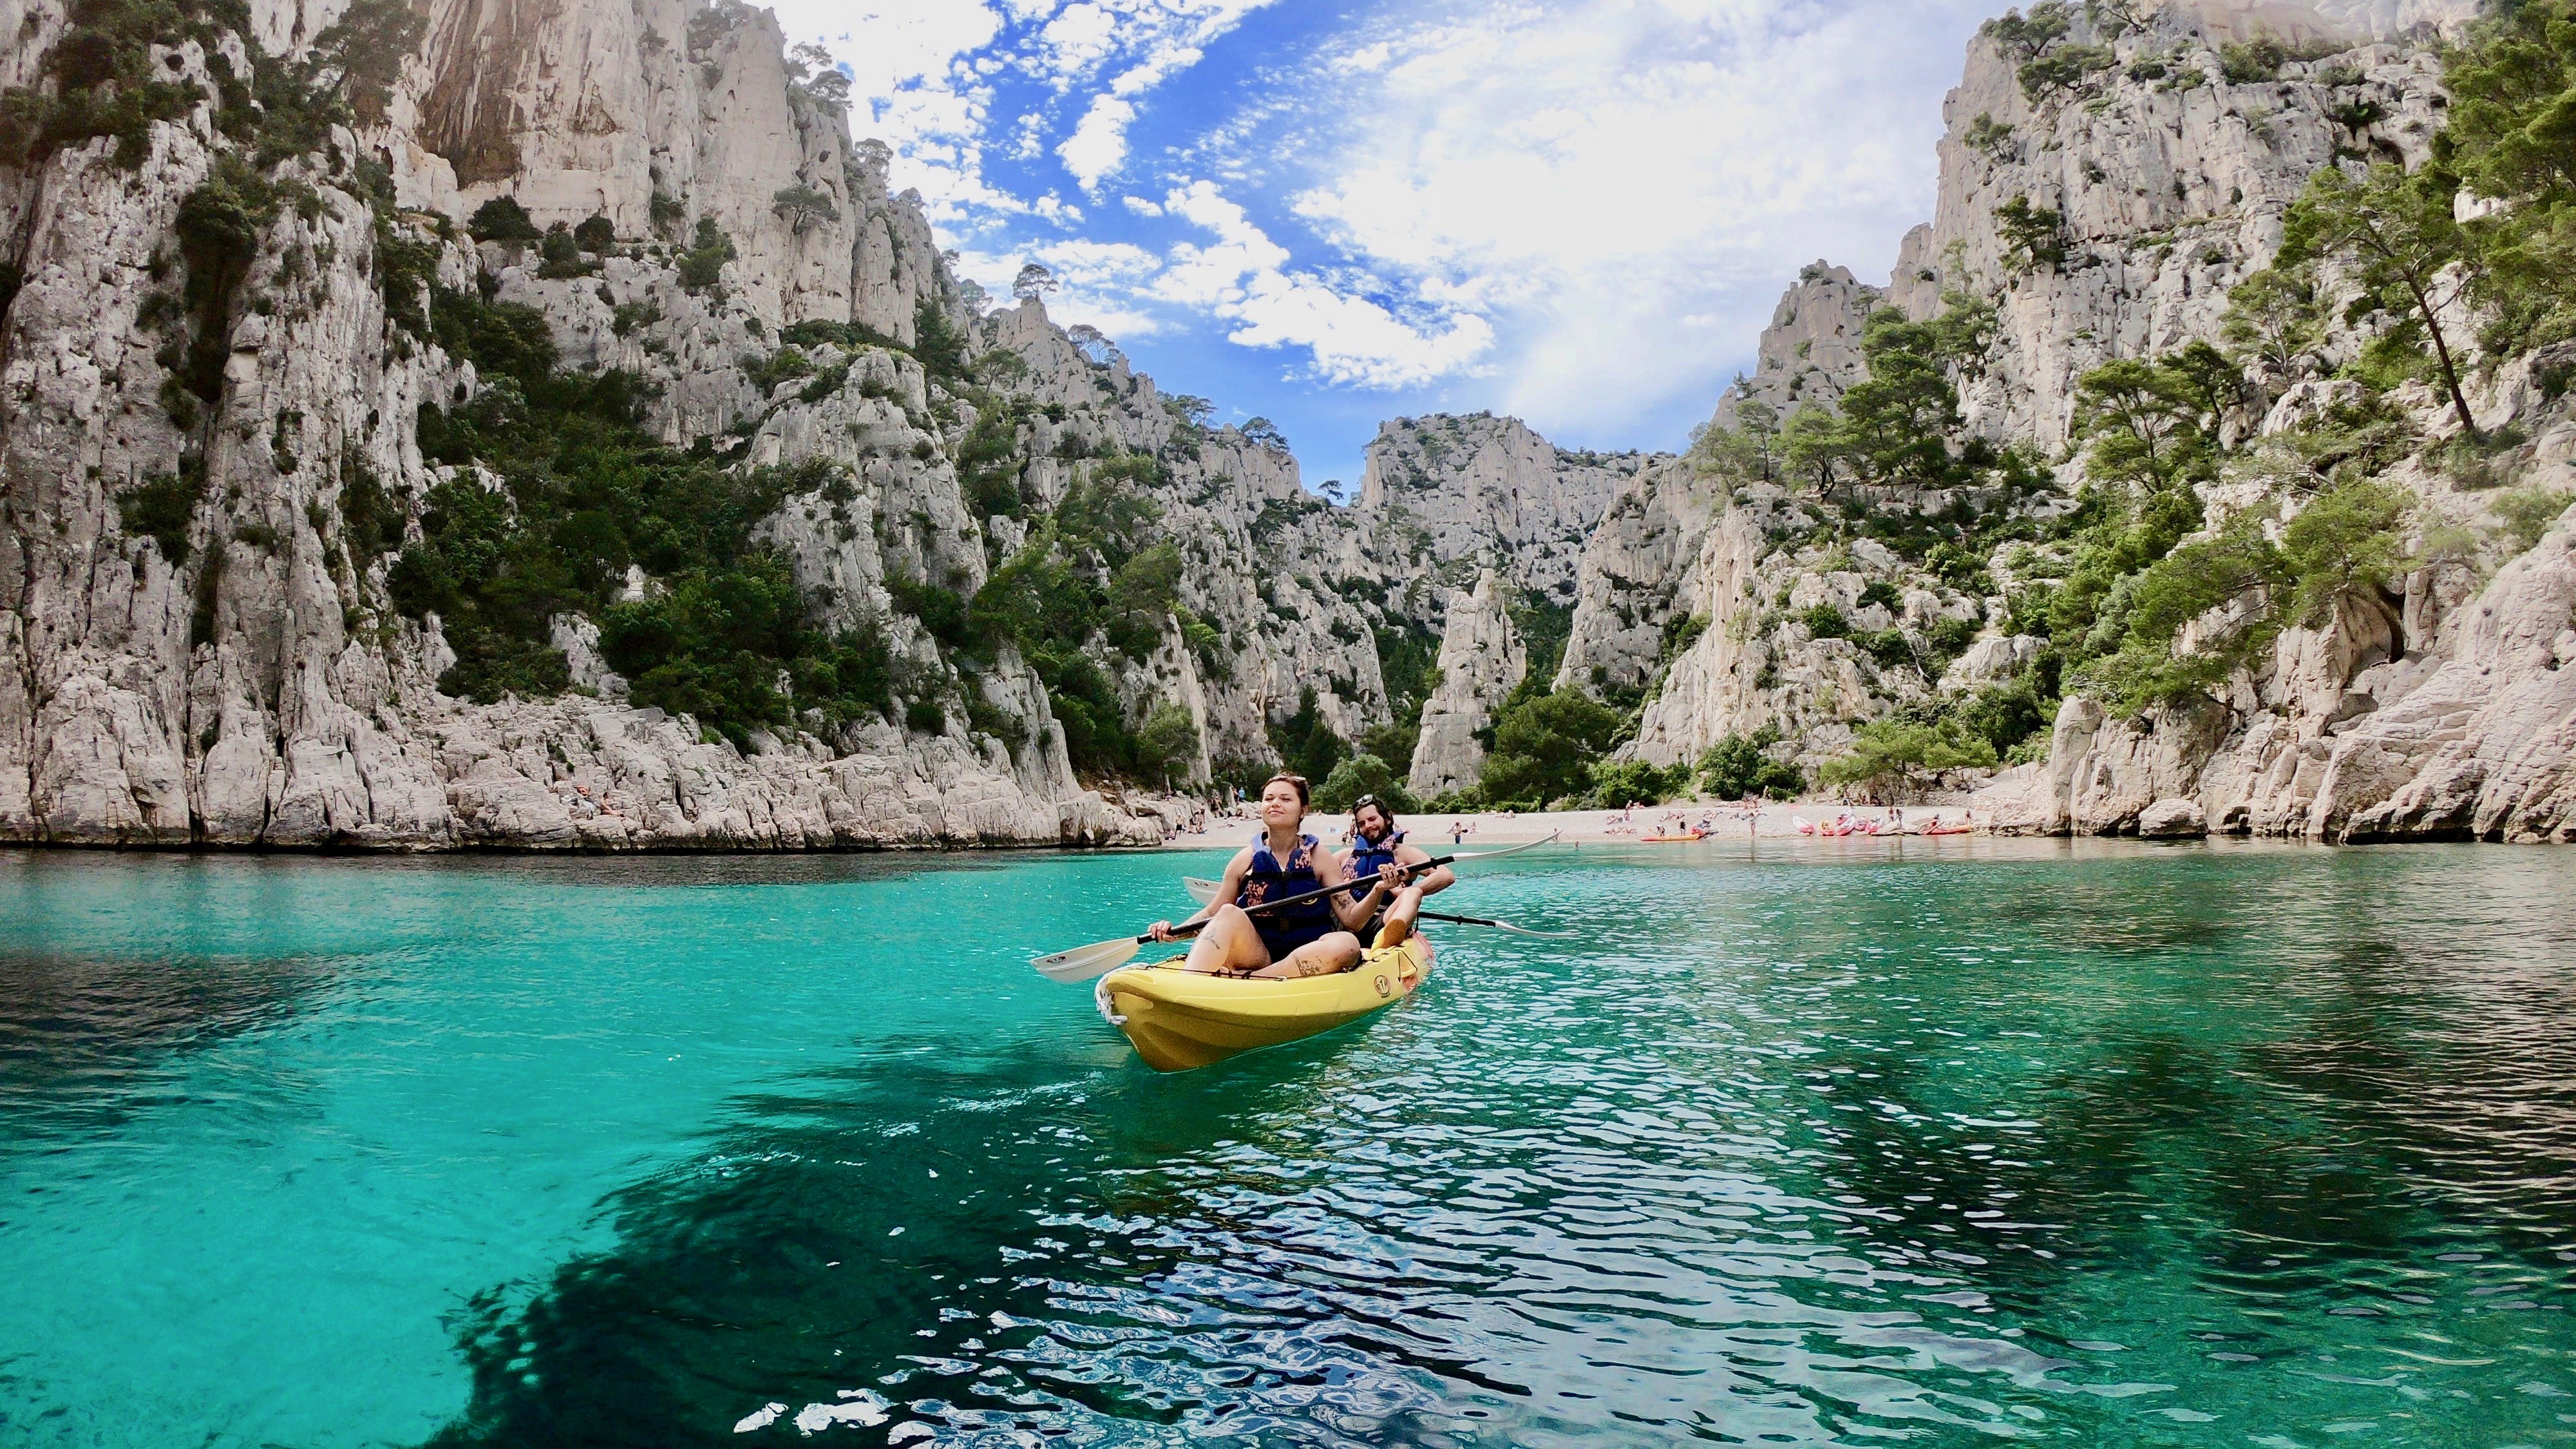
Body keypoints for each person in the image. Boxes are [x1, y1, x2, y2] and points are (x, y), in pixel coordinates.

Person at [1147, 773, 1378, 979]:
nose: (1275, 803)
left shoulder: (1320, 859)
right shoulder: (1244, 861)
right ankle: (1188, 986)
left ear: (1303, 810)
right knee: (1228, 912)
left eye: (1286, 799)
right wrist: (1174, 932)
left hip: (1308, 952)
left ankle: (1253, 979)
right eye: (1269, 799)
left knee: (1347, 944)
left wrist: (1379, 890)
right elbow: (1212, 913)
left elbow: (1352, 920)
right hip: (1258, 954)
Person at [1336, 795, 1454, 948]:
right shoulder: (1343, 857)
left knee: (1412, 893)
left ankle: (1390, 936)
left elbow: (1445, 875)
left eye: (1372, 819)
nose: (1368, 826)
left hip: (1385, 919)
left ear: (1388, 819)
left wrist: (1404, 892)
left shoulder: (1403, 853)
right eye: (1362, 823)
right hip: (1349, 923)